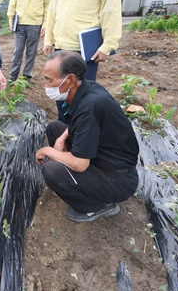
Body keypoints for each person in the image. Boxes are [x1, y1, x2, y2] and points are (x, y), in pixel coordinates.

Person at [35, 51, 139, 222]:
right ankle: (77, 181)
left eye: (49, 80)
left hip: (116, 180)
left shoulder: (89, 107)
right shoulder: (88, 89)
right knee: (55, 129)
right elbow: (80, 124)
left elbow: (80, 164)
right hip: (103, 159)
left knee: (52, 170)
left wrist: (47, 151)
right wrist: (61, 139)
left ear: (70, 80)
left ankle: (97, 206)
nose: (45, 86)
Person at [7, 0, 52, 83]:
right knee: (18, 50)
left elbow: (48, 6)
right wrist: (10, 18)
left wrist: (45, 24)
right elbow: (13, 1)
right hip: (19, 21)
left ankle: (27, 76)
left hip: (35, 23)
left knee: (31, 51)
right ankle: (13, 76)